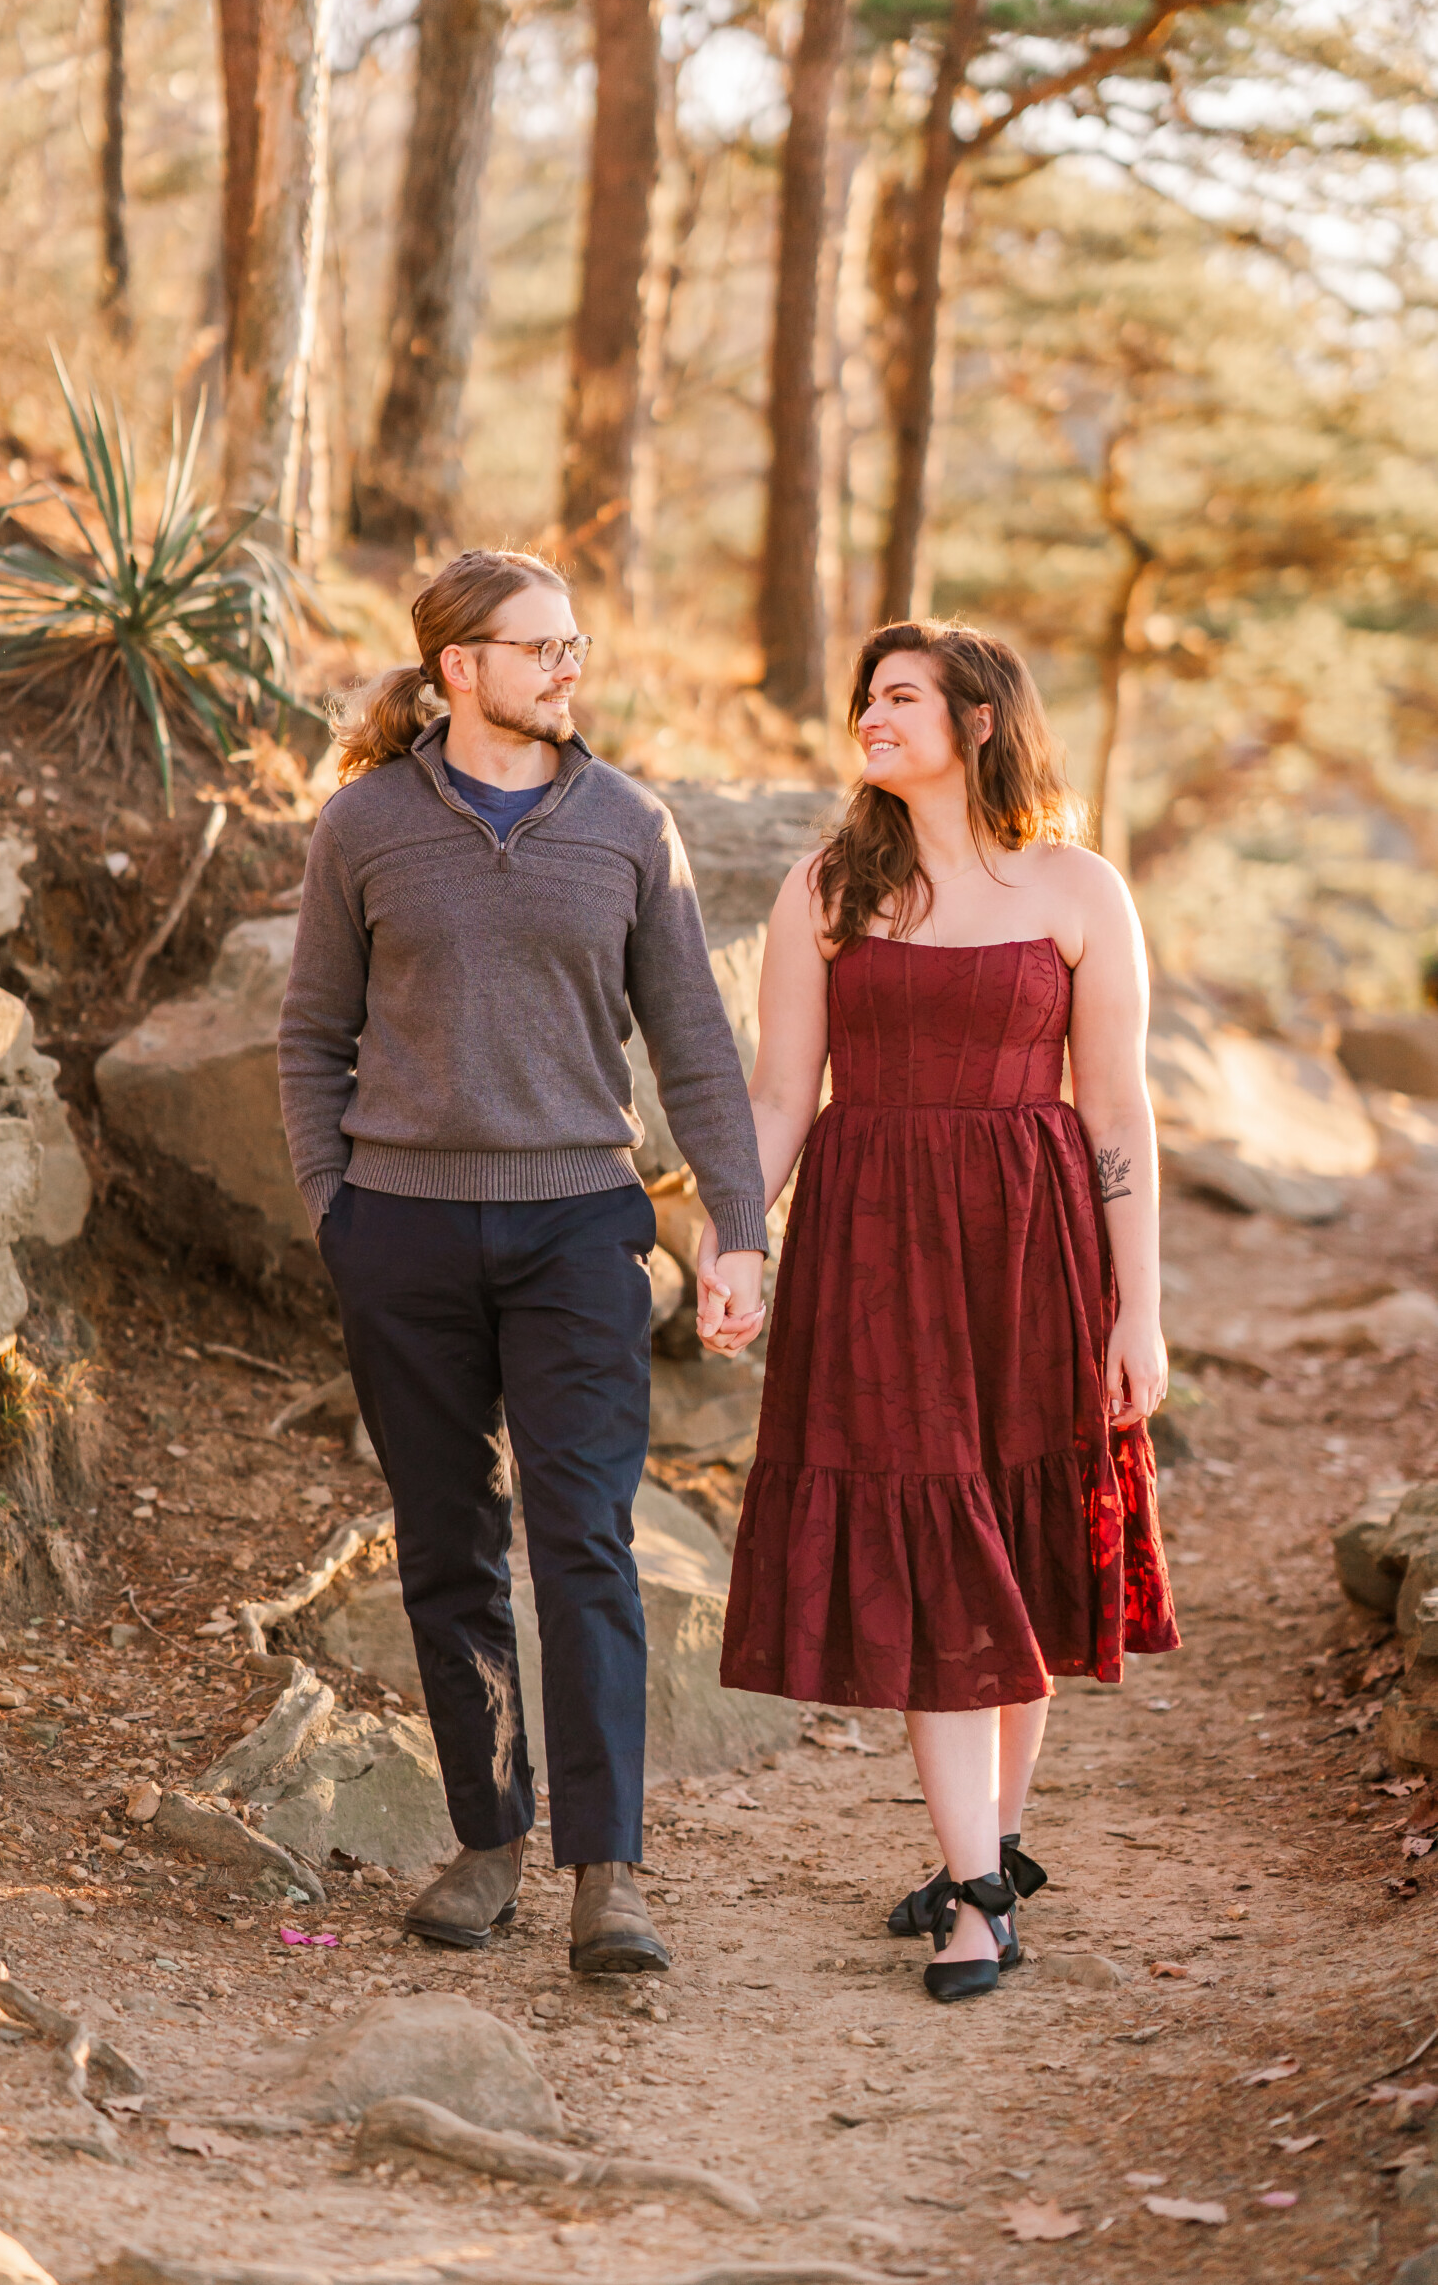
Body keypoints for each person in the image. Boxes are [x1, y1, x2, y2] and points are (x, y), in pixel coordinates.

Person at [277, 547, 767, 1975]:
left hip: (576, 1230)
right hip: (404, 1233)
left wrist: (736, 1229)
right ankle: (489, 1843)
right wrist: (338, 1210)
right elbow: (313, 1035)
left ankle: (606, 1872)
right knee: (446, 1549)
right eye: (540, 647)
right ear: (460, 672)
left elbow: (693, 1044)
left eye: (577, 644)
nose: (569, 668)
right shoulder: (364, 828)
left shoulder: (629, 825)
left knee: (585, 1542)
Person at [701, 618, 1179, 2004]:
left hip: (1036, 1247)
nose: (872, 712)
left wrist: (1137, 1308)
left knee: (1020, 1537)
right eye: (866, 694)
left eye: (902, 694)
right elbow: (783, 1095)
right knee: (932, 1533)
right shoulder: (828, 889)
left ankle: (994, 1839)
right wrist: (740, 1239)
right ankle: (977, 1892)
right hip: (876, 1254)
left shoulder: (1079, 888)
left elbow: (1116, 1111)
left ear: (979, 720)